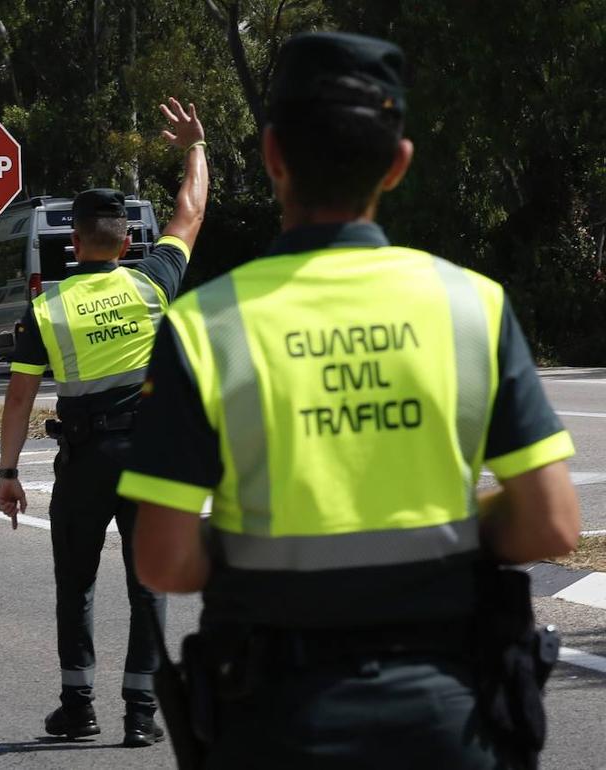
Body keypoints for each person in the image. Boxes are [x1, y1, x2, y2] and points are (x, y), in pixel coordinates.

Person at [117, 31, 581, 768]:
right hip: (448, 718)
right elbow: (551, 522)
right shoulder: (473, 306)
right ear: (397, 166)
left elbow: (164, 561)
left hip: (277, 720)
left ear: (272, 155)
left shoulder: (204, 326)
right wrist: (455, 534)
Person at [0, 97, 209, 747]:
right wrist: (196, 148)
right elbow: (191, 212)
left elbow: (20, 399)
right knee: (150, 582)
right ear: (128, 240)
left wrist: (6, 471)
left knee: (76, 580)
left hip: (85, 459)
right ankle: (142, 715)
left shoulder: (49, 306)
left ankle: (77, 705)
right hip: (148, 456)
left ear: (73, 240)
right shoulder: (154, 282)